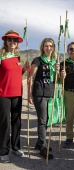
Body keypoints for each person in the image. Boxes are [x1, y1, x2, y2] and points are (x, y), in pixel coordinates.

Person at [0, 30, 29, 163]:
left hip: (17, 94)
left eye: (15, 40)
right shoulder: (1, 55)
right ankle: (3, 151)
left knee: (17, 122)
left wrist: (24, 69)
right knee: (4, 123)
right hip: (3, 94)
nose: (12, 42)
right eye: (10, 39)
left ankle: (15, 147)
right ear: (5, 41)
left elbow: (17, 74)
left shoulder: (18, 57)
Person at [28, 38, 58, 160]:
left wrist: (60, 73)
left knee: (47, 119)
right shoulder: (38, 60)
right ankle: (43, 147)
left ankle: (39, 142)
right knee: (42, 120)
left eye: (50, 46)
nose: (48, 48)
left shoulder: (54, 62)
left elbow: (56, 79)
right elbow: (30, 77)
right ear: (42, 47)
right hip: (39, 93)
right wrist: (29, 95)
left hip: (50, 94)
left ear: (53, 48)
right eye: (46, 46)